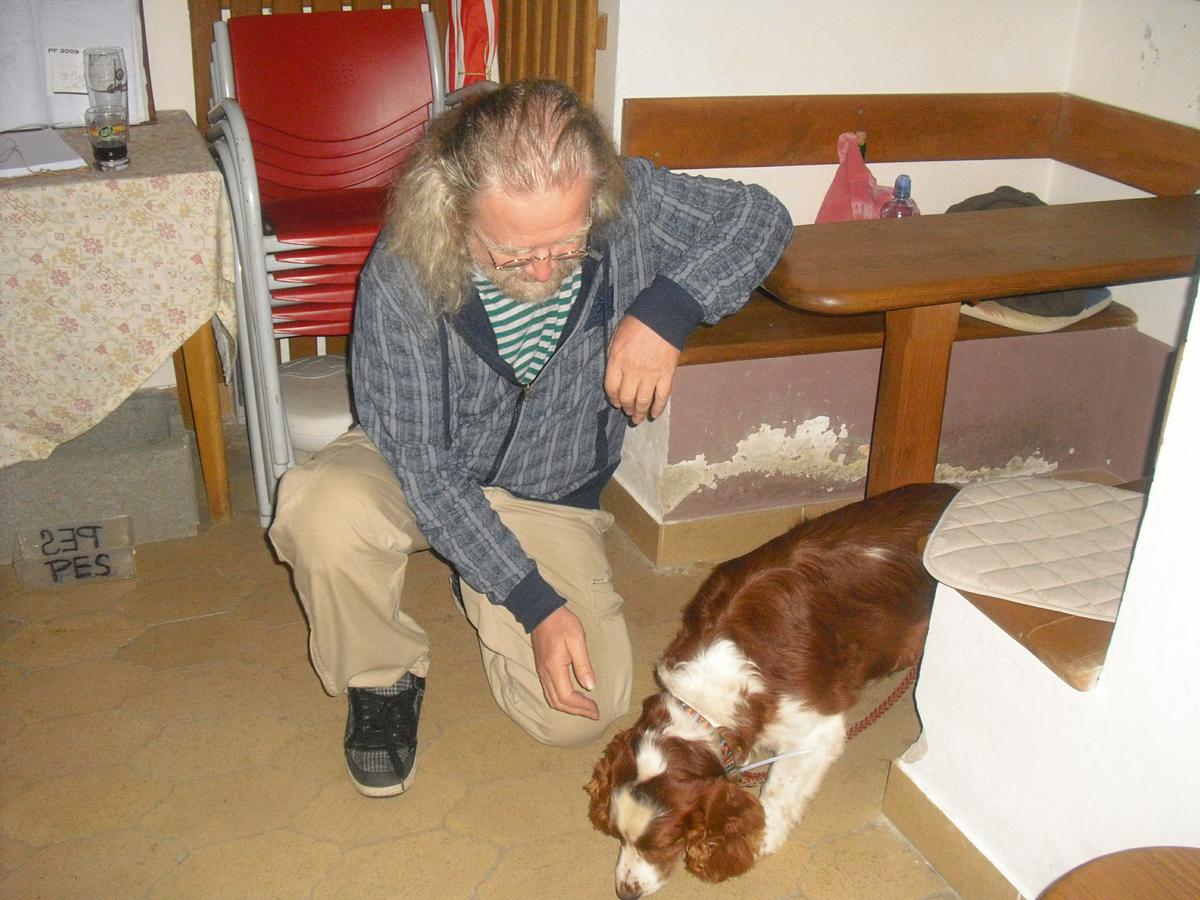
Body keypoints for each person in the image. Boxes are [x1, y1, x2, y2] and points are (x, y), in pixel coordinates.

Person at [268, 79, 793, 797]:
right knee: (321, 509)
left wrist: (668, 310)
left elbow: (760, 217)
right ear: (454, 211)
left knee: (580, 713)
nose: (544, 272)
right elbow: (423, 467)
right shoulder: (402, 272)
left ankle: (479, 574)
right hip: (422, 469)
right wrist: (533, 603)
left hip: (547, 489)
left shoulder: (624, 200)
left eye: (568, 244)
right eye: (512, 254)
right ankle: (382, 675)